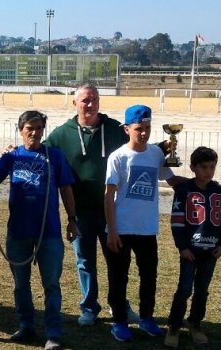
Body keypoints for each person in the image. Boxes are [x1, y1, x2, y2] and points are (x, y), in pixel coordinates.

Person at [0, 111, 78, 350]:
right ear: (21, 130)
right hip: (18, 232)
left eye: (39, 128)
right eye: (30, 128)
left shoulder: (55, 157)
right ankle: (26, 325)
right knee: (21, 284)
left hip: (48, 232)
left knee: (51, 284)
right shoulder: (12, 157)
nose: (35, 132)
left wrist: (72, 219)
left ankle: (53, 332)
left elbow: (67, 190)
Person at [41, 84, 140, 327]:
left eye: (95, 99)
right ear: (75, 103)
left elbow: (138, 144)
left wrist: (163, 148)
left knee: (117, 261)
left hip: (113, 212)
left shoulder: (115, 129)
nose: (91, 104)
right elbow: (40, 153)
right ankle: (89, 307)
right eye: (85, 100)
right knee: (85, 261)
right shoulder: (61, 134)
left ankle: (119, 305)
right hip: (80, 213)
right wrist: (15, 152)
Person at [104, 105, 187, 342]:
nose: (144, 133)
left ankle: (147, 318)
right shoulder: (118, 157)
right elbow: (109, 195)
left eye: (148, 128)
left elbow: (171, 180)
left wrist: (202, 182)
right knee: (119, 278)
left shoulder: (156, 154)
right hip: (121, 228)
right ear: (127, 129)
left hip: (147, 229)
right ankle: (119, 321)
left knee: (149, 276)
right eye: (139, 128)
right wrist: (112, 230)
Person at [164, 147, 221, 348]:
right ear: (193, 167)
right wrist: (182, 246)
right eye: (203, 167)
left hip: (211, 251)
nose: (208, 172)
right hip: (190, 251)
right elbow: (176, 221)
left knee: (202, 290)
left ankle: (195, 323)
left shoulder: (220, 191)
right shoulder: (184, 191)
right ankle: (174, 326)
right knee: (184, 288)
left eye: (212, 167)